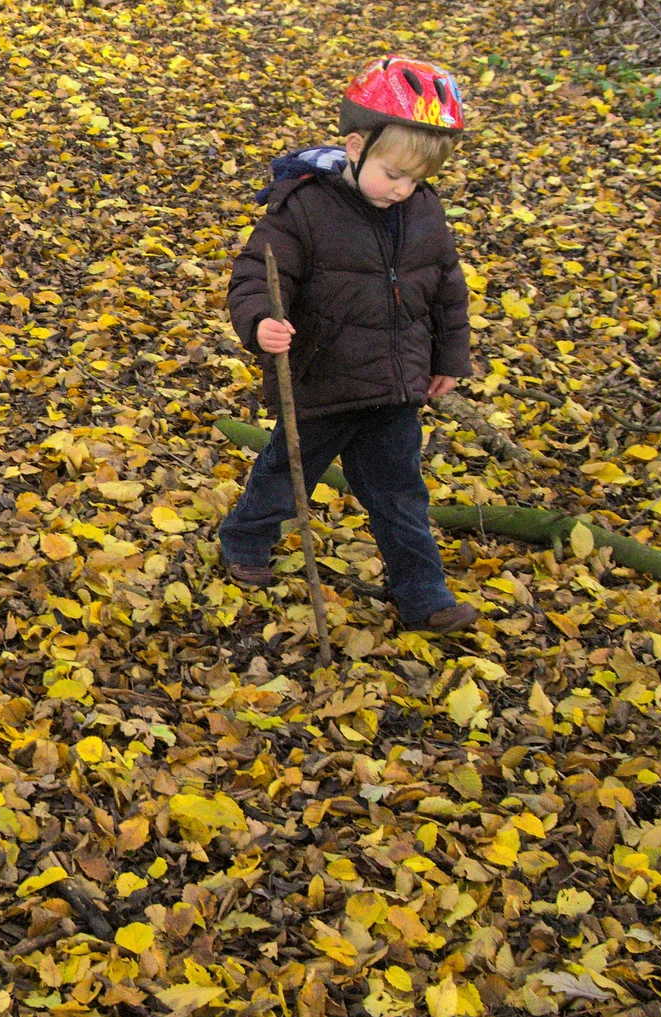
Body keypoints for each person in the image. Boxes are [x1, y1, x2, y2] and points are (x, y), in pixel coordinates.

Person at [218, 55, 479, 634]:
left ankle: (424, 596)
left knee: (401, 495)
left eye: (416, 180)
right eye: (393, 173)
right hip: (323, 381)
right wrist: (261, 322)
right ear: (357, 147)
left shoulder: (424, 212)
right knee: (287, 473)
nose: (402, 190)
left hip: (395, 387)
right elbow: (257, 276)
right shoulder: (305, 207)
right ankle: (244, 541)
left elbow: (447, 290)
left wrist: (448, 360)